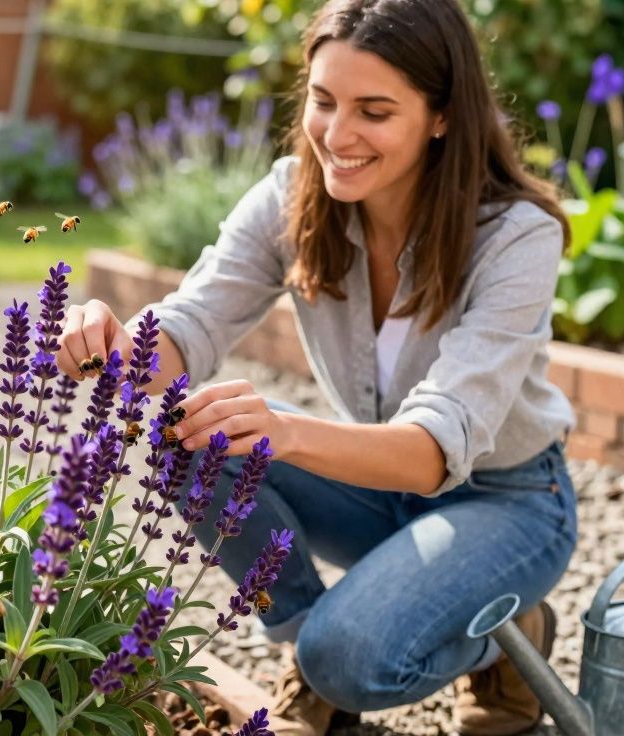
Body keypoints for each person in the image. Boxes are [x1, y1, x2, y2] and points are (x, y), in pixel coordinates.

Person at [55, 1, 579, 734]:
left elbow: (434, 450)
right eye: (324, 101)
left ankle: (501, 641)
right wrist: (114, 344)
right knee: (186, 439)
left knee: (357, 659)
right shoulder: (289, 196)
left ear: (441, 116)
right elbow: (192, 321)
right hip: (379, 492)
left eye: (374, 110)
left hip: (508, 502)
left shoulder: (516, 238)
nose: (337, 135)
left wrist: (286, 431)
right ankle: (306, 644)